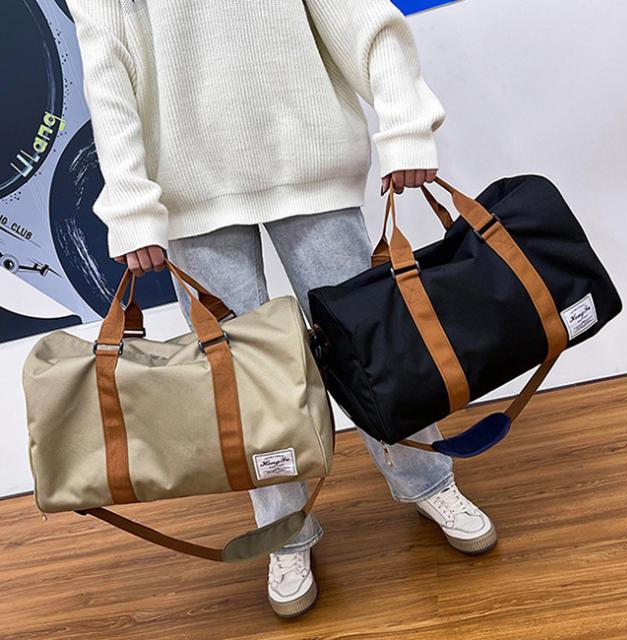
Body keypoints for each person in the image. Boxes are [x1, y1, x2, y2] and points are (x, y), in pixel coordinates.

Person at [67, 0, 497, 618]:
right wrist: (131, 204)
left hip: (308, 153)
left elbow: (360, 17)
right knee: (244, 383)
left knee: (371, 346)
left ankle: (429, 480)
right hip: (187, 188)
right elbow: (107, 67)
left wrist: (405, 121)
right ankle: (285, 530)